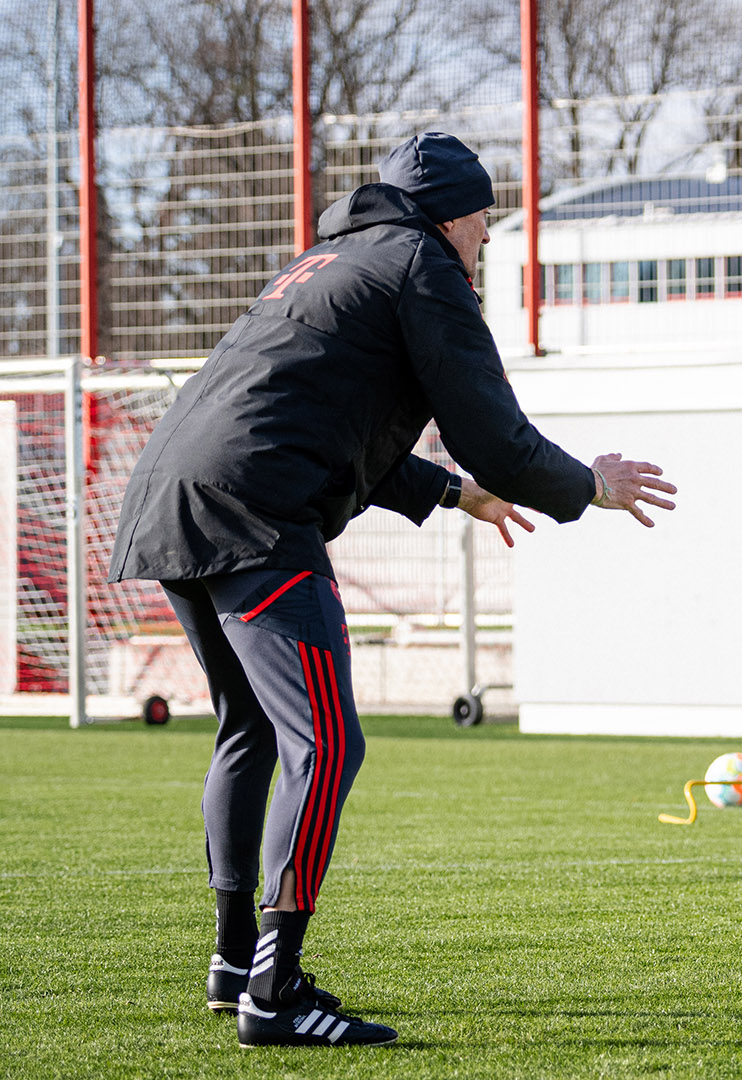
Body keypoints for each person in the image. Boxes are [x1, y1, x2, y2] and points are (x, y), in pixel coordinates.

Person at [107, 131, 678, 1047]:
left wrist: (456, 491)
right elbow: (495, 433)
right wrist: (588, 485)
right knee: (327, 745)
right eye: (485, 222)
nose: (486, 239)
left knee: (252, 729)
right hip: (257, 516)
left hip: (172, 499)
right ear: (456, 216)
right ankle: (276, 992)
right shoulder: (425, 265)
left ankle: (232, 962)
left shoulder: (330, 259)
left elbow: (330, 427)